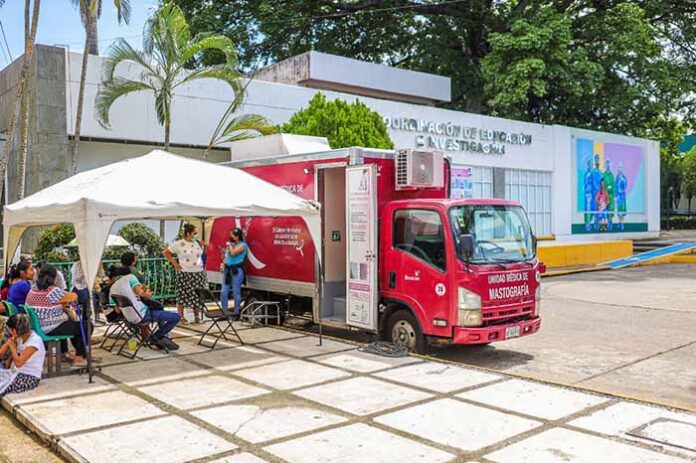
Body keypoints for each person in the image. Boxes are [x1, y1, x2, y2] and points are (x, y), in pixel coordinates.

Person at [25, 264, 88, 368]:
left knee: (70, 324)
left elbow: (50, 302)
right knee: (86, 326)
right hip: (50, 328)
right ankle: (79, 357)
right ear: (54, 277)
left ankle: (65, 353)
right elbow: (73, 296)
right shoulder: (52, 291)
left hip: (38, 326)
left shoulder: (32, 289)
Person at [109, 266, 180, 351]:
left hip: (130, 319)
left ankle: (162, 338)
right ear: (129, 272)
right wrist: (147, 294)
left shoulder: (112, 288)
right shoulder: (130, 277)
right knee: (177, 316)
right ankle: (157, 336)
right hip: (143, 314)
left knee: (158, 309)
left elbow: (117, 310)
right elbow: (139, 292)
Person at [163, 224, 208, 325]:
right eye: (194, 233)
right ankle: (181, 316)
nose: (196, 235)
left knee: (197, 295)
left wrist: (205, 246)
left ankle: (197, 316)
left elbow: (203, 254)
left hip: (198, 272)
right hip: (185, 272)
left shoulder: (197, 243)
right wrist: (175, 263)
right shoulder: (179, 243)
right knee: (183, 294)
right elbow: (166, 252)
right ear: (188, 233)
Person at [0, 314, 45, 396]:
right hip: (14, 372)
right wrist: (8, 345)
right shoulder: (19, 337)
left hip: (29, 378)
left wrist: (12, 347)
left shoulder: (35, 341)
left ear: (14, 330)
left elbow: (19, 363)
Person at [220, 228, 248, 318]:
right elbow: (227, 256)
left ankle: (236, 312)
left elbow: (233, 253)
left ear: (237, 236)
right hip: (228, 269)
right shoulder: (232, 245)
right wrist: (223, 259)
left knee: (236, 291)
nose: (230, 237)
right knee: (224, 291)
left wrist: (230, 245)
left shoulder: (243, 245)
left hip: (237, 270)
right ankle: (224, 311)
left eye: (232, 235)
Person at [603, 159, 615, 231]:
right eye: (606, 165)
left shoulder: (611, 175)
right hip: (605, 195)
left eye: (608, 165)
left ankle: (610, 223)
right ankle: (605, 225)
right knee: (605, 210)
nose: (608, 166)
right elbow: (603, 184)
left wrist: (613, 195)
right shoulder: (604, 174)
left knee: (610, 210)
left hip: (610, 196)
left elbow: (613, 185)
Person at [615, 162, 628, 231]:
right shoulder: (617, 177)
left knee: (622, 210)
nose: (619, 169)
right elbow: (615, 186)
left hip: (622, 196)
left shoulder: (624, 177)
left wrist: (622, 179)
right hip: (618, 196)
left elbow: (625, 185)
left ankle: (622, 223)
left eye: (621, 168)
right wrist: (615, 196)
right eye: (618, 168)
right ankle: (619, 222)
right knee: (619, 209)